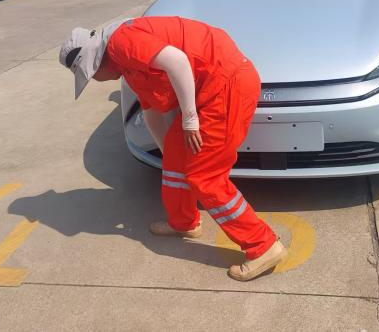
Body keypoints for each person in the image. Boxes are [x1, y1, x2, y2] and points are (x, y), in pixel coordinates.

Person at [59, 16, 287, 281]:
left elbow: (177, 61)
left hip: (226, 87)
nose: (95, 80)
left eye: (90, 75)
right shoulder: (127, 67)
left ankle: (263, 245)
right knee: (176, 161)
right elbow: (152, 113)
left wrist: (189, 119)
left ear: (95, 61)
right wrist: (171, 155)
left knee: (205, 177)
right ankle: (184, 223)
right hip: (208, 94)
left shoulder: (121, 42)